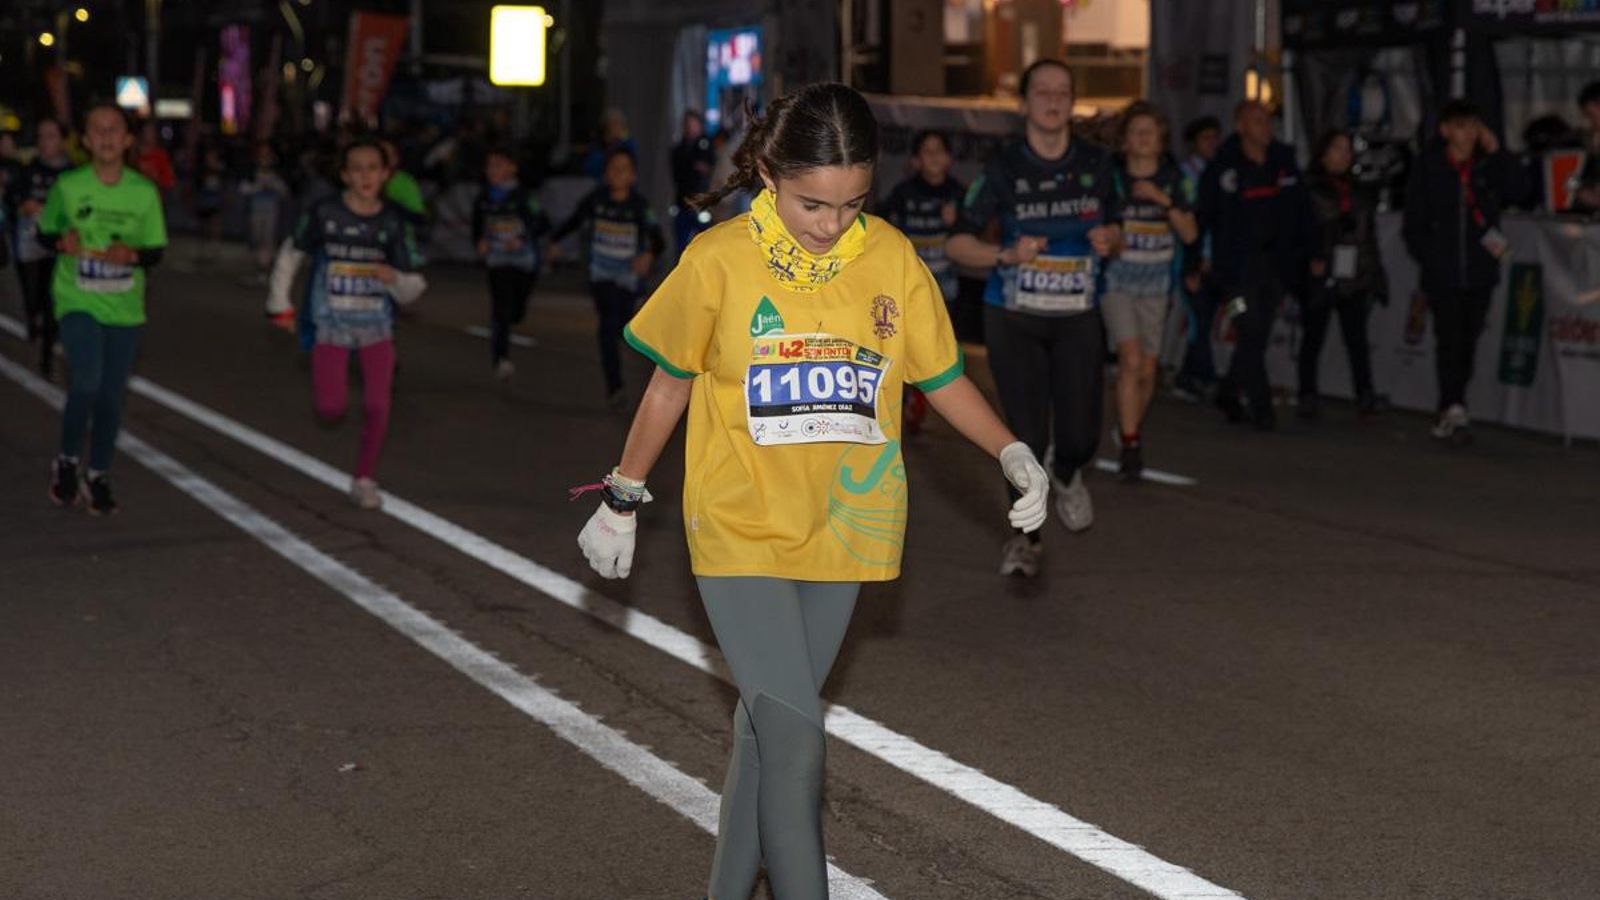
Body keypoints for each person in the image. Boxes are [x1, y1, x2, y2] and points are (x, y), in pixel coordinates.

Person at [573, 81, 1049, 900]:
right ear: (768, 174)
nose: (831, 224)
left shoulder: (890, 257)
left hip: (846, 527)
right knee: (797, 744)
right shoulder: (718, 259)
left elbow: (940, 377)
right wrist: (622, 500)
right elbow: (668, 385)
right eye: (812, 204)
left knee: (765, 735)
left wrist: (1010, 449)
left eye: (851, 203)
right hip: (739, 530)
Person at [946, 58, 1122, 577]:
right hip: (1014, 316)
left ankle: (1066, 473)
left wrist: (1110, 239)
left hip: (1076, 316)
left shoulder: (1097, 163)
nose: (1052, 100)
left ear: (1073, 102)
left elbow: (1118, 231)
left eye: (1062, 91)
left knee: (1080, 436)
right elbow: (958, 244)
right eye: (1041, 91)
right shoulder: (1004, 167)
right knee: (1022, 436)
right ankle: (1026, 539)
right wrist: (1005, 255)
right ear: (1024, 103)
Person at [265, 138, 428, 509]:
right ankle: (337, 414)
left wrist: (394, 279)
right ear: (344, 175)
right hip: (331, 324)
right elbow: (291, 254)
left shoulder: (393, 221)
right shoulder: (325, 213)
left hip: (377, 327)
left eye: (373, 168)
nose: (365, 176)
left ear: (385, 175)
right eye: (357, 169)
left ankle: (364, 478)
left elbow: (414, 286)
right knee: (331, 408)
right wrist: (279, 304)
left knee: (377, 405)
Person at [38, 104, 168, 515]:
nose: (107, 137)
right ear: (85, 141)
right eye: (98, 130)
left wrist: (132, 254)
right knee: (87, 380)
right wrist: (62, 242)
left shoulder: (143, 192)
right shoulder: (68, 186)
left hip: (124, 307)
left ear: (128, 140)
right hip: (77, 298)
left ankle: (97, 473)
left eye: (115, 130)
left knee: (111, 396)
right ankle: (67, 460)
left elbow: (155, 251)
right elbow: (45, 232)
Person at [1402, 99, 1521, 444]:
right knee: (1449, 337)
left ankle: (1453, 404)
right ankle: (1452, 405)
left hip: (1480, 269)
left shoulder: (1486, 165)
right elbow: (1414, 221)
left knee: (1469, 338)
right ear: (1445, 131)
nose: (1467, 135)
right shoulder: (1430, 167)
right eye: (1459, 127)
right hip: (1444, 271)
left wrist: (1498, 152)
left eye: (1471, 127)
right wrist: (1431, 256)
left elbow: (1520, 190)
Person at [1196, 100, 1313, 430]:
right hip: (1233, 272)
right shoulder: (1223, 168)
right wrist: (1197, 261)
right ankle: (1261, 406)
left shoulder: (1283, 162)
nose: (1265, 127)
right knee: (1247, 325)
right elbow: (1204, 216)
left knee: (1259, 332)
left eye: (1267, 120)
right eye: (1257, 121)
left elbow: (1302, 210)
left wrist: (1308, 252)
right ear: (1241, 126)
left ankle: (1229, 390)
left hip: (1274, 267)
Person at [1104, 102, 1197, 480]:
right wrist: (1113, 240)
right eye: (1135, 131)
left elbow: (1189, 234)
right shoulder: (1112, 178)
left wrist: (1163, 201)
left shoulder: (1174, 178)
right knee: (1130, 359)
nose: (1142, 138)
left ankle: (1128, 425)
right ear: (1124, 141)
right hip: (1117, 281)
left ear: (1161, 141)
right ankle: (1131, 445)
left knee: (1147, 370)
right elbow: (1100, 228)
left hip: (1156, 283)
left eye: (1149, 132)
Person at [549, 149, 664, 407]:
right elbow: (574, 221)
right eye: (613, 168)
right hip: (600, 274)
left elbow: (659, 239)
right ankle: (615, 386)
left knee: (621, 325)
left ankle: (622, 361)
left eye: (624, 169)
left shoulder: (639, 206)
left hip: (628, 276)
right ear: (606, 174)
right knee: (607, 324)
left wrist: (648, 255)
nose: (618, 174)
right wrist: (555, 241)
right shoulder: (596, 200)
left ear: (633, 176)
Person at [882, 129, 966, 436]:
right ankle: (908, 397)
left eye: (939, 151)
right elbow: (885, 231)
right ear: (916, 160)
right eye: (926, 152)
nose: (933, 157)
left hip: (945, 285)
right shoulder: (903, 193)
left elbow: (975, 233)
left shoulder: (958, 193)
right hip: (908, 284)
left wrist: (956, 222)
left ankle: (925, 394)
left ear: (949, 158)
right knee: (904, 344)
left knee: (937, 345)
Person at [1300, 129, 1385, 419]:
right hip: (1322, 270)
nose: (1344, 155)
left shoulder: (1359, 190)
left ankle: (1365, 393)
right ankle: (1307, 392)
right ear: (1323, 154)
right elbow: (1301, 230)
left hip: (1354, 273)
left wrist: (1375, 274)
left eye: (1348, 150)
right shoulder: (1310, 188)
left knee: (1357, 338)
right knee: (1313, 335)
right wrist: (1315, 253)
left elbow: (1368, 236)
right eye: (1337, 149)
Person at [471, 146, 550, 379]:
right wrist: (480, 240)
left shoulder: (523, 197)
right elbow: (477, 225)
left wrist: (522, 239)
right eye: (489, 166)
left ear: (512, 168)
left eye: (498, 165)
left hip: (524, 262)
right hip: (497, 260)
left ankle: (513, 317)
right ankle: (500, 358)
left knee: (516, 311)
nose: (492, 170)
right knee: (500, 309)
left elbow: (543, 223)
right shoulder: (483, 197)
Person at [6, 118, 74, 377]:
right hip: (29, 241)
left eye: (51, 136)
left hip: (59, 243)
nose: (45, 142)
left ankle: (47, 357)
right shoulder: (28, 170)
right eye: (41, 136)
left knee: (51, 300)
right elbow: (12, 196)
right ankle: (32, 317)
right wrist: (23, 204)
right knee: (33, 296)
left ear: (63, 140)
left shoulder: (73, 173)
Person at [1174, 115, 1222, 401]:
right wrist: (1195, 262)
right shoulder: (1184, 176)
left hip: (1215, 261)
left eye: (1216, 138)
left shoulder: (1220, 172)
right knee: (1198, 319)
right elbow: (1190, 223)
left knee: (1204, 320)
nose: (1212, 143)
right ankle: (1206, 377)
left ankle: (1188, 376)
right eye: (1206, 138)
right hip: (1191, 260)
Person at [240, 142, 291, 285]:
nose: (264, 157)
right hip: (256, 210)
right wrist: (257, 187)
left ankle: (265, 272)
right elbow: (243, 188)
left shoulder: (278, 172)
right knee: (257, 239)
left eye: (267, 154)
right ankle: (260, 270)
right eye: (262, 154)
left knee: (267, 240)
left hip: (271, 210)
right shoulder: (251, 170)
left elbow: (285, 192)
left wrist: (274, 185)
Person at [670, 110, 717, 254]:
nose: (690, 127)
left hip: (702, 201)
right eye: (687, 124)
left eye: (693, 124)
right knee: (682, 245)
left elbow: (708, 167)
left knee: (706, 242)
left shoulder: (706, 144)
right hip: (683, 201)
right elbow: (678, 173)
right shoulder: (679, 148)